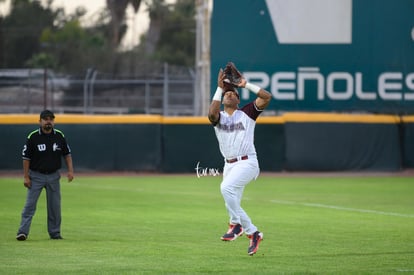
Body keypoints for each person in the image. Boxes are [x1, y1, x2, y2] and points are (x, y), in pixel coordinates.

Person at [208, 64, 272, 256]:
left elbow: (266, 97)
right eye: (226, 93)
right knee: (231, 199)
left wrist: (245, 84)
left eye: (233, 93)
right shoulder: (218, 117)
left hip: (248, 162)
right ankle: (235, 225)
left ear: (238, 100)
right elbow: (211, 114)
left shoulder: (247, 113)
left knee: (225, 189)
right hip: (229, 164)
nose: (230, 94)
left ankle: (251, 231)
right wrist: (220, 88)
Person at [16, 110, 74, 241]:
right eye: (45, 119)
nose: (48, 121)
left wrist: (70, 171)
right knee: (30, 205)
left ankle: (55, 233)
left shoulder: (59, 135)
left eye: (51, 119)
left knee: (55, 206)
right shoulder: (33, 137)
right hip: (36, 175)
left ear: (54, 121)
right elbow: (26, 158)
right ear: (40, 121)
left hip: (54, 175)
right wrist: (26, 176)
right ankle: (22, 232)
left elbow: (67, 154)